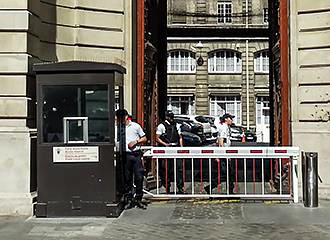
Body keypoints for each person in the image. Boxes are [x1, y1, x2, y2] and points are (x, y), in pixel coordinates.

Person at [116, 109, 147, 209]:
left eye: (120, 118)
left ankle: (138, 198)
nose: (118, 120)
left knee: (139, 177)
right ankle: (129, 198)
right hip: (124, 155)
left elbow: (144, 138)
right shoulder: (117, 128)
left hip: (135, 155)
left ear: (126, 117)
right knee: (127, 178)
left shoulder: (135, 126)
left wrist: (136, 141)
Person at [205, 113, 235, 194]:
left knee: (229, 174)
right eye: (231, 118)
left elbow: (218, 141)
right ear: (226, 119)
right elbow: (221, 141)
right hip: (224, 154)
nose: (232, 120)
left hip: (226, 154)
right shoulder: (224, 128)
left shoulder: (226, 127)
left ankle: (230, 192)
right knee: (226, 174)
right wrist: (221, 154)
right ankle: (210, 187)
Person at [156, 111, 184, 194]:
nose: (172, 119)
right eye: (170, 117)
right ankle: (167, 186)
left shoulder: (176, 125)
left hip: (175, 147)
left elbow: (180, 137)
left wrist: (181, 148)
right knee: (167, 169)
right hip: (167, 149)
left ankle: (180, 186)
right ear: (167, 117)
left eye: (172, 117)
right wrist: (165, 144)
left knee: (179, 168)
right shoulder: (162, 126)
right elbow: (157, 137)